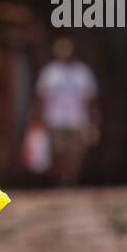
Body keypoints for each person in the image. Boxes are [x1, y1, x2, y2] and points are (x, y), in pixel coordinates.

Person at [33, 39, 99, 186]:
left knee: (75, 153)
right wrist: (37, 117)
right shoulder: (50, 72)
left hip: (77, 119)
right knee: (58, 151)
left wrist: (93, 120)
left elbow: (90, 98)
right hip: (55, 119)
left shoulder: (82, 73)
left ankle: (70, 180)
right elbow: (41, 97)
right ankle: (57, 179)